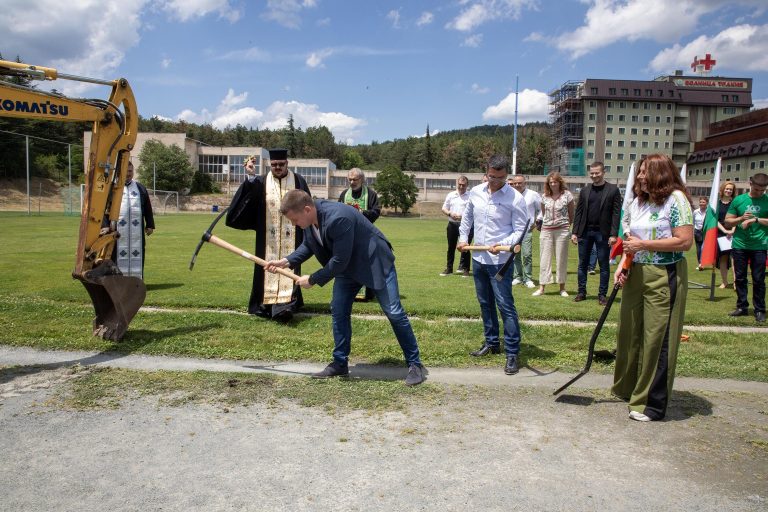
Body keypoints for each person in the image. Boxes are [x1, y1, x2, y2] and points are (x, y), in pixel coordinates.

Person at [266, 190, 426, 386]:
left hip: (373, 261)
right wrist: (286, 261)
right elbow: (310, 244)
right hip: (348, 266)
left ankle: (415, 364)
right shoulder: (309, 218)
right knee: (339, 309)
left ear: (307, 209)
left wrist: (314, 279)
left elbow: (340, 260)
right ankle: (340, 363)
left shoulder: (338, 218)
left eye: (294, 219)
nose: (293, 224)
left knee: (394, 312)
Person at [612, 154, 693, 422]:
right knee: (630, 332)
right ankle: (630, 389)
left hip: (663, 273)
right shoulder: (638, 201)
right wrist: (624, 264)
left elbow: (684, 242)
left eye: (646, 172)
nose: (641, 177)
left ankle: (651, 403)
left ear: (661, 174)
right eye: (640, 172)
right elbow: (631, 240)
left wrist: (644, 246)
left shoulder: (676, 200)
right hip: (636, 272)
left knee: (657, 338)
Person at [457, 155, 528, 375]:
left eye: (500, 177)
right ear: (486, 172)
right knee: (485, 303)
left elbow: (520, 231)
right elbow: (467, 218)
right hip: (478, 258)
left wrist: (503, 243)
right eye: (492, 177)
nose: (496, 181)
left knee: (505, 306)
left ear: (506, 174)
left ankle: (512, 352)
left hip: (499, 262)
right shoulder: (476, 192)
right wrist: (462, 238)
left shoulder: (515, 198)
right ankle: (491, 342)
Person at [226, 148, 311, 322]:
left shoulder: (298, 181)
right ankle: (266, 305)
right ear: (270, 165)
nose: (278, 167)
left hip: (293, 237)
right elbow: (247, 203)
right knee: (266, 269)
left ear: (287, 163)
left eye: (281, 164)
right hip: (267, 240)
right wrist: (250, 177)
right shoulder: (262, 182)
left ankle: (286, 305)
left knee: (290, 265)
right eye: (274, 164)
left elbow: (308, 208)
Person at [571, 161, 622, 306]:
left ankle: (602, 295)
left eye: (597, 173)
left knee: (604, 265)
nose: (594, 176)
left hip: (603, 233)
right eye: (592, 173)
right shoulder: (585, 190)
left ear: (603, 172)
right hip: (585, 232)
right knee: (582, 264)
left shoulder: (613, 190)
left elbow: (616, 214)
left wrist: (613, 234)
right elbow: (579, 212)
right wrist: (575, 232)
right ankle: (581, 292)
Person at [724, 173, 768, 323]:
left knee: (758, 279)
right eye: (757, 190)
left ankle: (760, 310)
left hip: (760, 245)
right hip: (740, 245)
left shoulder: (767, 200)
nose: (760, 193)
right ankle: (742, 307)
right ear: (750, 184)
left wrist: (755, 219)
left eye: (763, 190)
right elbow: (728, 222)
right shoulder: (739, 200)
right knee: (741, 278)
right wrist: (741, 219)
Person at [338, 167, 381, 299]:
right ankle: (348, 293)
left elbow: (376, 212)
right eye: (349, 179)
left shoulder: (371, 194)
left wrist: (361, 213)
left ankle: (366, 294)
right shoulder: (344, 194)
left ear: (361, 179)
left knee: (365, 265)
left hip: (365, 236)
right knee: (347, 264)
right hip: (347, 237)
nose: (352, 182)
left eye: (355, 179)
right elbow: (338, 212)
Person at [533, 171, 573, 297]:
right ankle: (542, 287)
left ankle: (562, 287)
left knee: (561, 258)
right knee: (544, 258)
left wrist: (566, 225)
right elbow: (544, 214)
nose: (553, 184)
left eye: (555, 182)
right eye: (550, 182)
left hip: (562, 230)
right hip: (547, 230)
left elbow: (571, 214)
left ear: (559, 182)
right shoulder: (544, 196)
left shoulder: (567, 195)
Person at [113, 161, 155, 279]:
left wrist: (150, 225)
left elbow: (147, 208)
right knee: (116, 254)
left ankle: (136, 280)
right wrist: (105, 226)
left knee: (138, 253)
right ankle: (118, 280)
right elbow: (104, 209)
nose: (128, 174)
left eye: (130, 171)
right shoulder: (113, 188)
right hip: (117, 231)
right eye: (125, 171)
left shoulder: (140, 188)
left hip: (137, 232)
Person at [508, 174, 542, 288]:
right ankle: (517, 276)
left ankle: (528, 278)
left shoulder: (533, 195)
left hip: (527, 229)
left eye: (520, 183)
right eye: (515, 183)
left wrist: (537, 221)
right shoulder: (510, 194)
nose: (517, 185)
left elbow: (541, 209)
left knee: (527, 254)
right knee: (515, 254)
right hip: (513, 229)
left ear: (525, 183)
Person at [440, 176, 472, 277]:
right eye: (460, 184)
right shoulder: (451, 195)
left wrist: (464, 217)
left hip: (465, 225)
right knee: (451, 247)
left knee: (465, 247)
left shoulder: (471, 196)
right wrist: (450, 214)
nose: (461, 186)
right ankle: (449, 268)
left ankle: (466, 269)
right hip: (452, 225)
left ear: (467, 185)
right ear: (457, 184)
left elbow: (473, 211)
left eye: (463, 185)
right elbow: (444, 208)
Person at [716, 181, 736, 288]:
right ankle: (724, 282)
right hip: (721, 234)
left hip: (735, 233)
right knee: (723, 258)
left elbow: (738, 218)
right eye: (727, 189)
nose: (728, 191)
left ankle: (736, 282)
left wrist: (732, 230)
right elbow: (714, 219)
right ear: (723, 189)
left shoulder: (735, 203)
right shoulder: (717, 204)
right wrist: (724, 230)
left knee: (735, 258)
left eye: (731, 189)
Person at [693, 196, 708, 269]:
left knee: (703, 248)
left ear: (706, 203)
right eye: (700, 202)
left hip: (706, 232)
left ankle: (703, 262)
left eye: (703, 202)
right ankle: (700, 263)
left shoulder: (709, 212)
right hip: (697, 232)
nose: (702, 203)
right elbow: (693, 222)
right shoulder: (695, 212)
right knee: (698, 249)